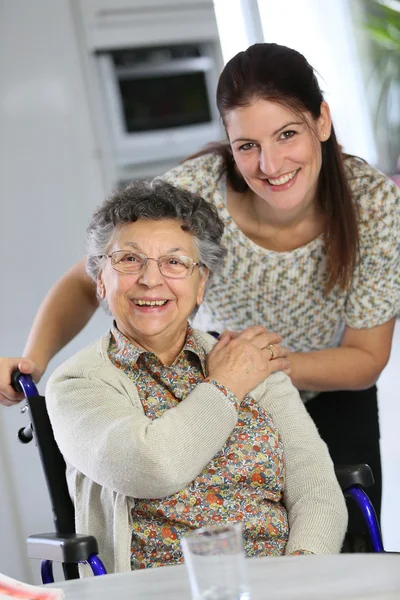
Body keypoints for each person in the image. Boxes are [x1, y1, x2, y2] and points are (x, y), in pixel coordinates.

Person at [1, 43, 399, 525]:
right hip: (217, 392)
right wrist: (33, 361)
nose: (270, 166)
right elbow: (88, 278)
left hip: (324, 394)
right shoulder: (196, 190)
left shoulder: (373, 204)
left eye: (287, 134)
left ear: (322, 121)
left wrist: (258, 367)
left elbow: (365, 358)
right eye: (246, 146)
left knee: (343, 541)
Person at [45, 179, 347, 574]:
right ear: (101, 279)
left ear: (200, 283)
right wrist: (225, 388)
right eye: (129, 260)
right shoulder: (76, 383)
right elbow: (153, 469)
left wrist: (302, 573)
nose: (151, 280)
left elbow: (318, 490)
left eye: (174, 262)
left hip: (284, 582)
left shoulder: (250, 360)